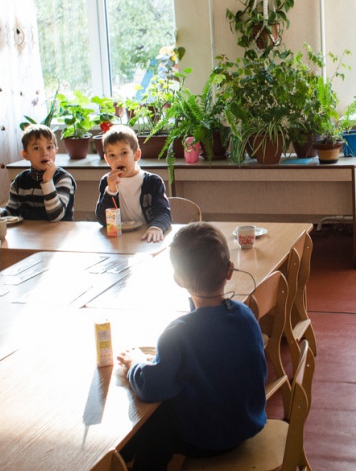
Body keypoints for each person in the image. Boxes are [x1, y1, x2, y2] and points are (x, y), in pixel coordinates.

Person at [117, 222, 267, 470]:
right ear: (229, 271)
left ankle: (122, 459)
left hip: (206, 437)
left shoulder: (178, 334)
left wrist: (135, 364)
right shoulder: (245, 314)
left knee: (153, 430)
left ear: (178, 279)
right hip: (247, 424)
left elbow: (150, 388)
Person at [95, 125, 172, 242]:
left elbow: (164, 213)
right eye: (112, 155)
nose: (118, 160)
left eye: (124, 153)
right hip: (119, 240)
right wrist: (111, 191)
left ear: (136, 155)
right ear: (107, 159)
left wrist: (156, 228)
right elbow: (102, 220)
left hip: (146, 238)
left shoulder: (153, 182)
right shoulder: (106, 182)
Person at [0, 124, 76, 222]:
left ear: (56, 151)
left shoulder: (63, 178)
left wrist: (47, 182)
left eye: (49, 147)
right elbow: (12, 213)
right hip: (30, 235)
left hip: (59, 234)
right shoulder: (20, 181)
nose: (44, 153)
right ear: (26, 154)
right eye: (37, 148)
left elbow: (56, 216)